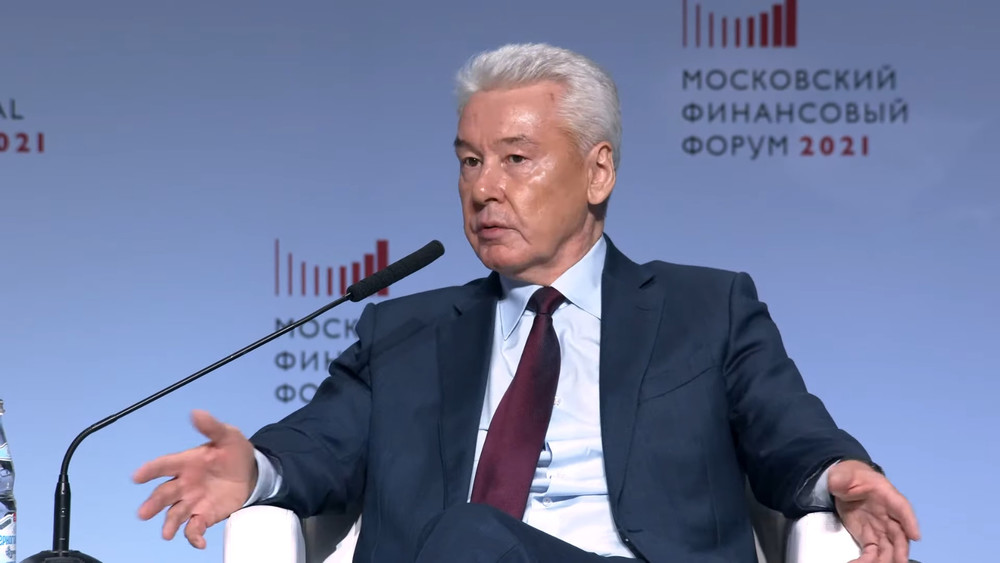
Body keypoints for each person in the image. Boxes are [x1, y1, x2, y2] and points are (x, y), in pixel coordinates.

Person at [134, 43, 920, 562]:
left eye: (516, 158)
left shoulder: (705, 308)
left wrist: (840, 473)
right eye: (469, 161)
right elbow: (321, 444)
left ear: (598, 172)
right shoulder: (404, 331)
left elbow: (789, 431)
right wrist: (257, 468)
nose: (484, 188)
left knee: (471, 537)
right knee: (470, 539)